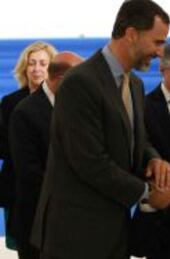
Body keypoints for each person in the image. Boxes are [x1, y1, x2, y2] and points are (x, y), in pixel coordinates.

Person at [30, 1, 170, 258]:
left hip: (113, 233)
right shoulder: (80, 82)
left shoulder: (136, 86)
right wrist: (147, 194)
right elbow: (88, 161)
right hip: (75, 236)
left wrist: (153, 159)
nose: (160, 52)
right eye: (157, 42)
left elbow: (135, 140)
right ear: (131, 34)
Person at [8, 51, 83, 259]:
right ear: (61, 79)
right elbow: (30, 173)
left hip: (70, 220)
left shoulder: (75, 106)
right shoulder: (25, 112)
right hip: (37, 222)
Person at [0, 41, 57, 250]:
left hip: (52, 185)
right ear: (24, 67)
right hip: (17, 187)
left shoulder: (62, 101)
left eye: (43, 63)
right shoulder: (10, 102)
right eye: (32, 63)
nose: (37, 69)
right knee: (24, 245)